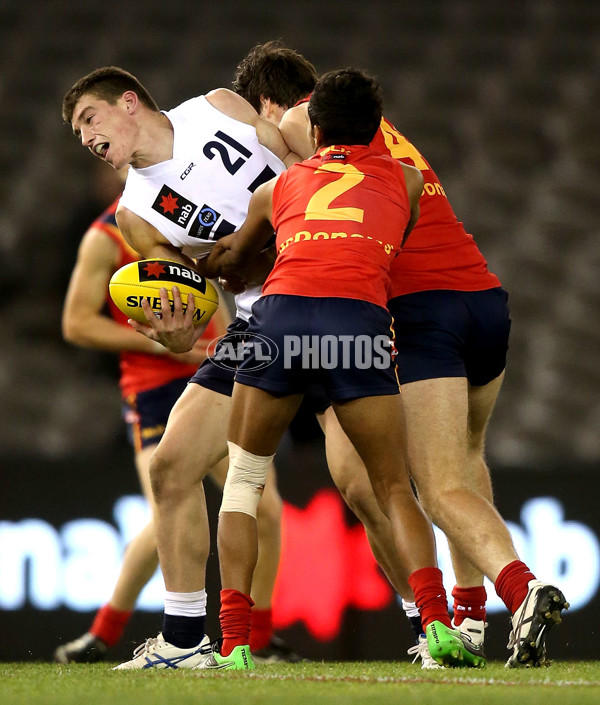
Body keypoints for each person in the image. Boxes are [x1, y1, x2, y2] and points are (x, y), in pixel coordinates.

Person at [193, 67, 488, 671]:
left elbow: (232, 262)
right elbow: (382, 246)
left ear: (315, 125)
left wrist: (193, 263)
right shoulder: (406, 183)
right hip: (356, 329)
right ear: (376, 127)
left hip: (275, 325)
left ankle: (234, 646)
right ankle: (436, 625)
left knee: (243, 486)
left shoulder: (277, 189)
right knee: (391, 488)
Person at [278, 84, 570, 669]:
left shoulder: (301, 128)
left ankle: (521, 589)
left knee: (435, 487)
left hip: (420, 311)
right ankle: (467, 618)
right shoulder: (388, 139)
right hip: (483, 298)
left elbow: (274, 144)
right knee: (465, 456)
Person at [61, 44, 318, 670]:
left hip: (328, 287)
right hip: (262, 319)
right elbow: (190, 318)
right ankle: (183, 641)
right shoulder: (133, 217)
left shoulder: (219, 108)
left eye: (90, 119)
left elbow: (305, 163)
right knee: (172, 468)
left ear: (129, 103)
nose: (86, 137)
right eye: (77, 133)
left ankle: (445, 622)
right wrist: (172, 332)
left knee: (373, 477)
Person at [54, 192, 232, 662]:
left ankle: (258, 634)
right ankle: (108, 632)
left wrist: (228, 345)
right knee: (166, 510)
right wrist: (163, 346)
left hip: (213, 375)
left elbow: (219, 300)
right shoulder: (107, 234)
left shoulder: (194, 215)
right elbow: (76, 324)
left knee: (263, 504)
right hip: (152, 389)